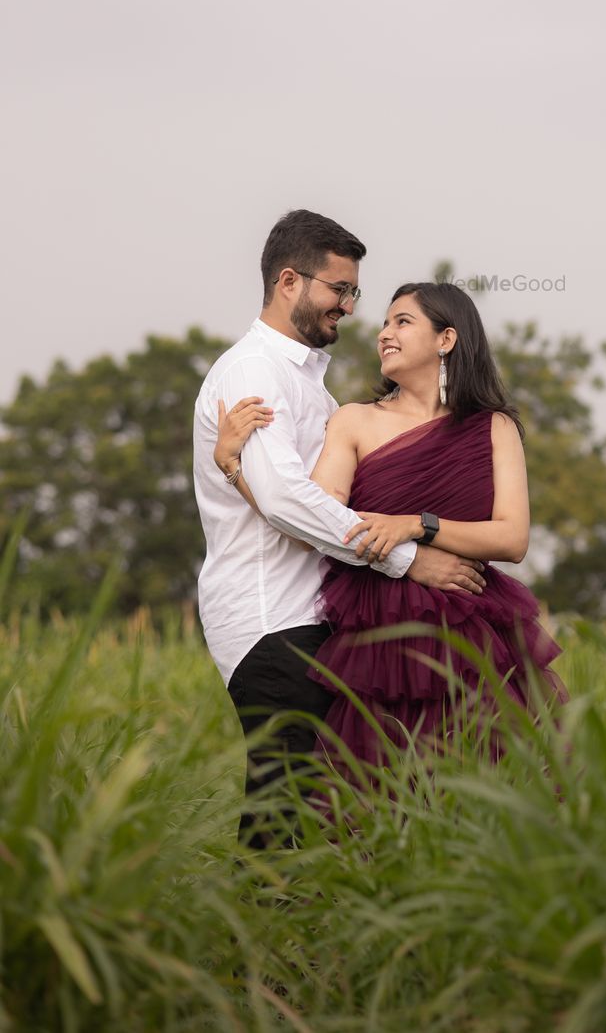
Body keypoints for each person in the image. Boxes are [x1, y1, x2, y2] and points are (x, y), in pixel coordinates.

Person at [193, 211, 487, 848]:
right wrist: (409, 560)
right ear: (290, 282)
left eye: (355, 293)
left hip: (319, 618)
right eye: (340, 290)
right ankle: (250, 944)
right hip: (272, 618)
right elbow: (285, 501)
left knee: (330, 814)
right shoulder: (253, 374)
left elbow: (315, 499)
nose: (351, 307)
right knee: (286, 811)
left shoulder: (316, 394)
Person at [214, 280, 565, 781]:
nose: (384, 333)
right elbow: (310, 523)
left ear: (446, 339)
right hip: (378, 640)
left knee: (484, 787)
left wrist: (417, 526)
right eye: (384, 323)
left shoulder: (494, 427)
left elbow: (511, 539)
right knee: (376, 794)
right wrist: (234, 468)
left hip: (472, 637)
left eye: (402, 322)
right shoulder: (353, 421)